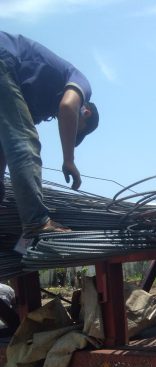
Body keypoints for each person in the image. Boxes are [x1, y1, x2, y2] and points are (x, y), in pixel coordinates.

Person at [0, 31, 99, 236]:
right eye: (76, 129)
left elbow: (6, 144)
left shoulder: (35, 103)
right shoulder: (81, 85)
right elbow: (68, 107)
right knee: (26, 142)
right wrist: (68, 160)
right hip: (4, 57)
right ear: (86, 112)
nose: (69, 129)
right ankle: (37, 223)